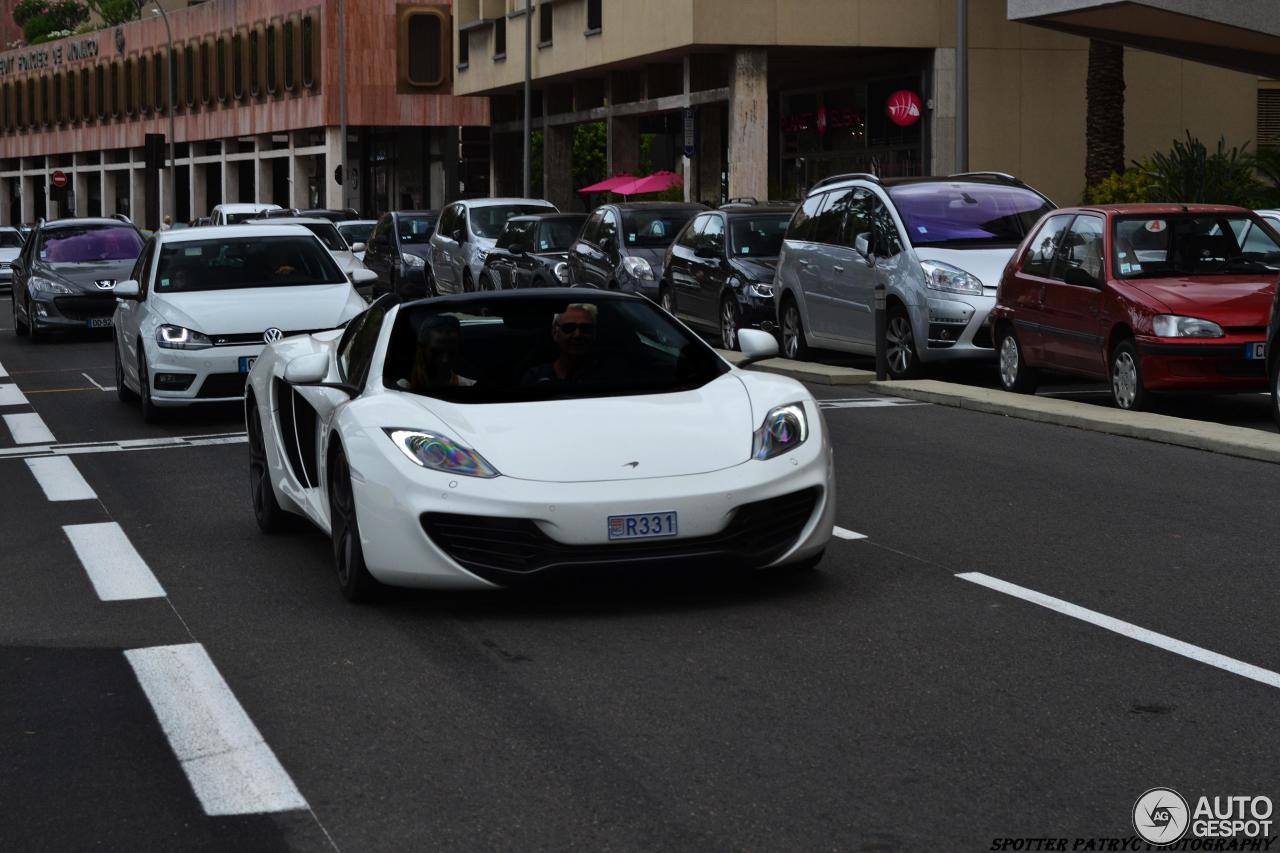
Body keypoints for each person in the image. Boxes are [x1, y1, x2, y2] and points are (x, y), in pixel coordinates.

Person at [521, 303, 604, 385]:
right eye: (569, 328)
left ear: (594, 333)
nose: (577, 334)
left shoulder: (608, 375)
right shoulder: (535, 377)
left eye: (585, 328)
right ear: (555, 333)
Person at [397, 315, 475, 391]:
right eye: (436, 353)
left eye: (451, 352)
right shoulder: (402, 388)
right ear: (422, 351)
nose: (445, 360)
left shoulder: (471, 386)